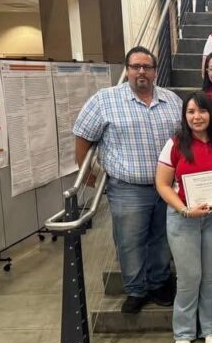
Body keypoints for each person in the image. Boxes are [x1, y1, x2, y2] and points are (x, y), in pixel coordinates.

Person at [73, 46, 182, 314]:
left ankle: (158, 282)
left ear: (155, 71)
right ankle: (136, 290)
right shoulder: (105, 100)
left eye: (147, 67)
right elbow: (83, 137)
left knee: (161, 238)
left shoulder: (172, 101)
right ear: (127, 70)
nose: (141, 71)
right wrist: (89, 175)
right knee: (129, 241)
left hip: (166, 187)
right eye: (135, 67)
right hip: (127, 188)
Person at [155, 91, 212, 343]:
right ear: (184, 115)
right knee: (189, 276)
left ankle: (211, 328)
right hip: (183, 219)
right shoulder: (175, 144)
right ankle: (184, 330)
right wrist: (185, 210)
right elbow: (162, 184)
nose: (196, 117)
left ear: (211, 114)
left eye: (202, 111)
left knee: (211, 276)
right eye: (191, 112)